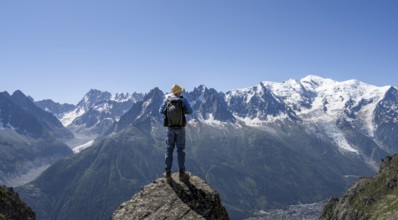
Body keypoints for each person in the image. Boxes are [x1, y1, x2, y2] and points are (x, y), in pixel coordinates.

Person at [159, 84, 193, 180]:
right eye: (181, 91)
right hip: (180, 128)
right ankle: (182, 173)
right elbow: (190, 111)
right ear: (179, 92)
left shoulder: (167, 99)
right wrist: (182, 111)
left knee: (169, 150)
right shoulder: (183, 100)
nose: (182, 92)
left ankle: (167, 173)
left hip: (170, 128)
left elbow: (160, 111)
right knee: (180, 150)